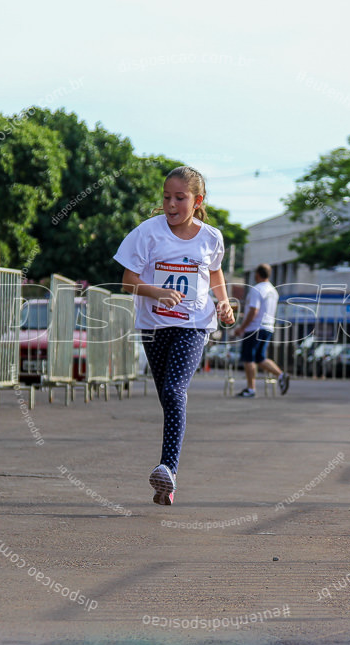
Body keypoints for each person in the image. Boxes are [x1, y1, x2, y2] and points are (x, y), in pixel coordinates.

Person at [114, 166, 234, 506]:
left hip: (195, 323)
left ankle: (168, 468)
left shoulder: (210, 237)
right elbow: (128, 281)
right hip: (154, 325)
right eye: (166, 197)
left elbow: (215, 271)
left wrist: (224, 303)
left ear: (197, 201)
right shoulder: (147, 233)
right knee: (167, 397)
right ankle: (165, 486)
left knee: (174, 388)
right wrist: (156, 292)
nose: (171, 204)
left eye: (179, 198)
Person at [232, 263, 289, 397]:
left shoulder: (257, 289)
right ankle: (281, 375)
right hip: (268, 326)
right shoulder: (273, 290)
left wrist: (242, 328)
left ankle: (251, 388)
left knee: (249, 358)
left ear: (257, 274)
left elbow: (254, 310)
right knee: (260, 358)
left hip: (254, 327)